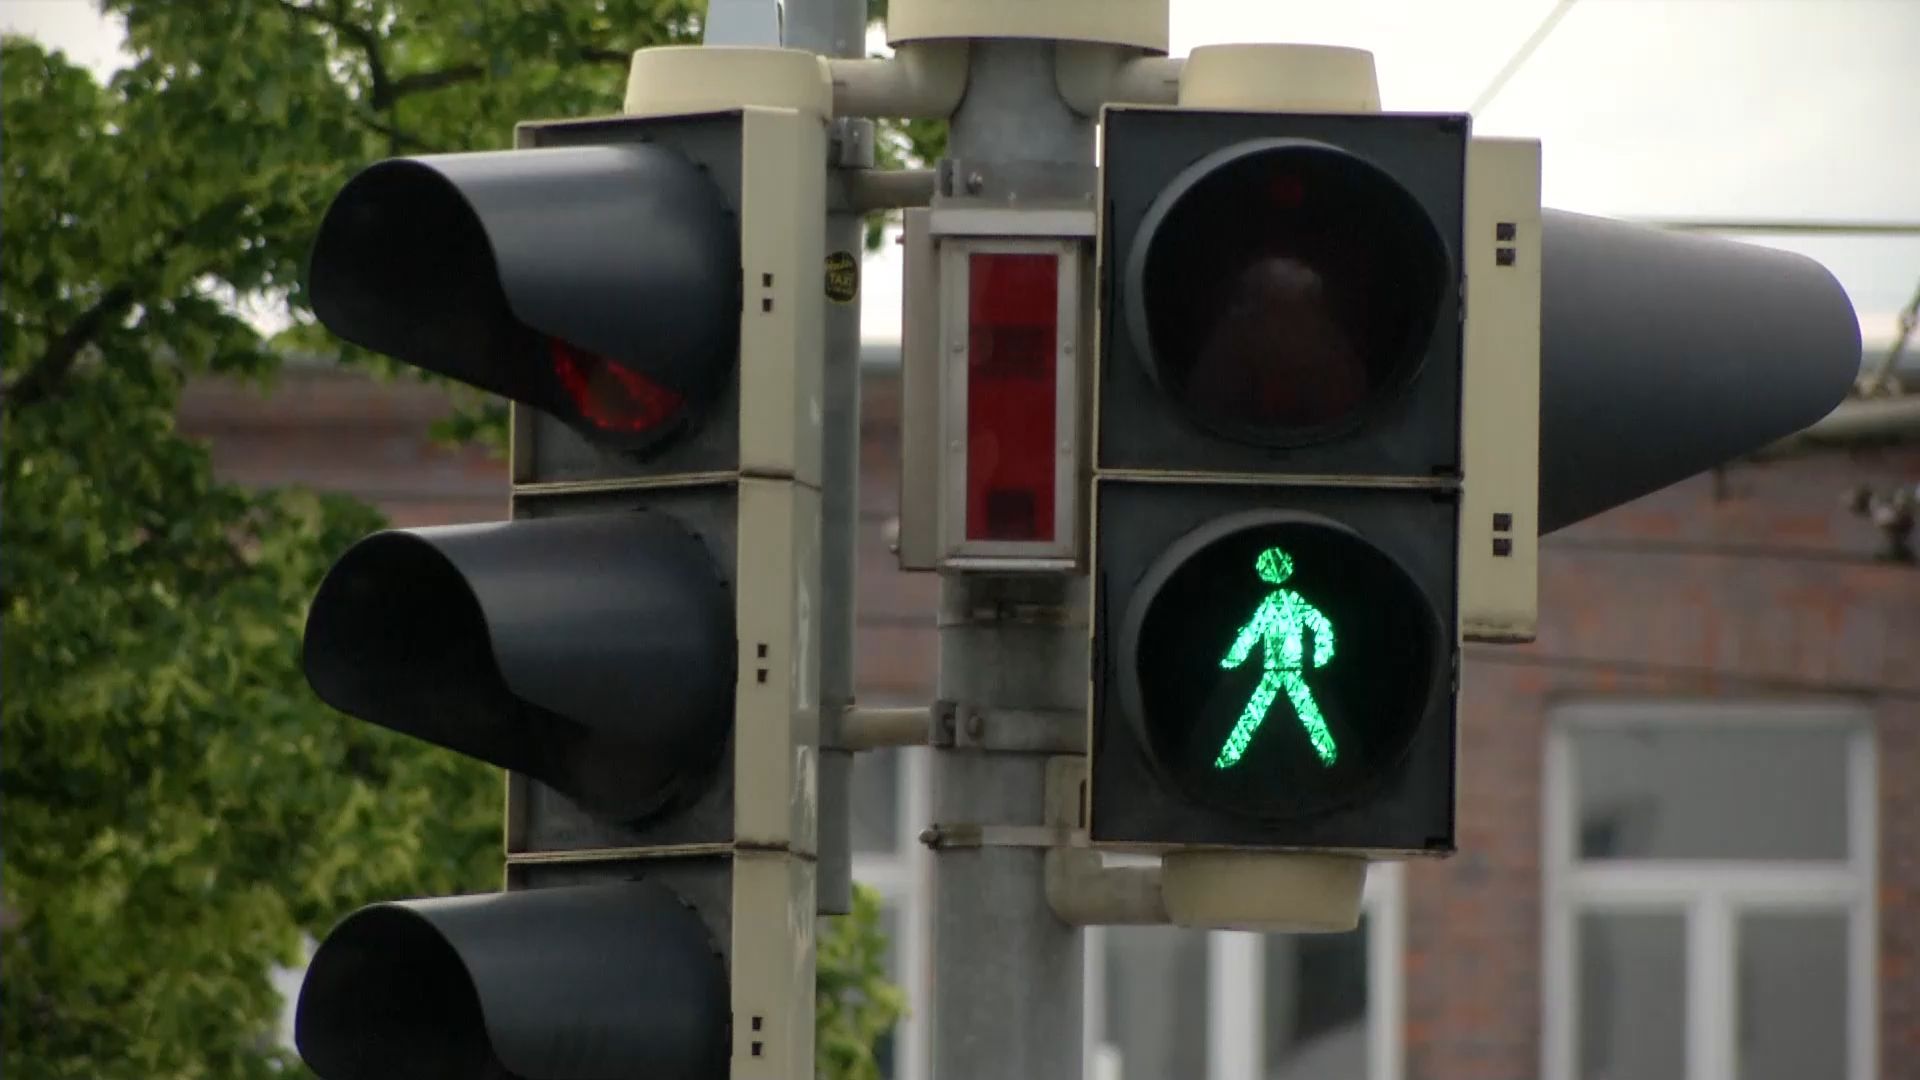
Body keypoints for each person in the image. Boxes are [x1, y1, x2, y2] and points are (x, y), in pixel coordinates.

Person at [1214, 547, 1339, 769]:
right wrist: (1322, 654)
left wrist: (1233, 659)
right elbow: (1253, 632)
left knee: (1259, 711)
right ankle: (1328, 753)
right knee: (1301, 711)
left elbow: (1251, 632)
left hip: (1284, 668)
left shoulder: (1277, 603)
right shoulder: (1283, 602)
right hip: (1281, 668)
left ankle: (1229, 756)